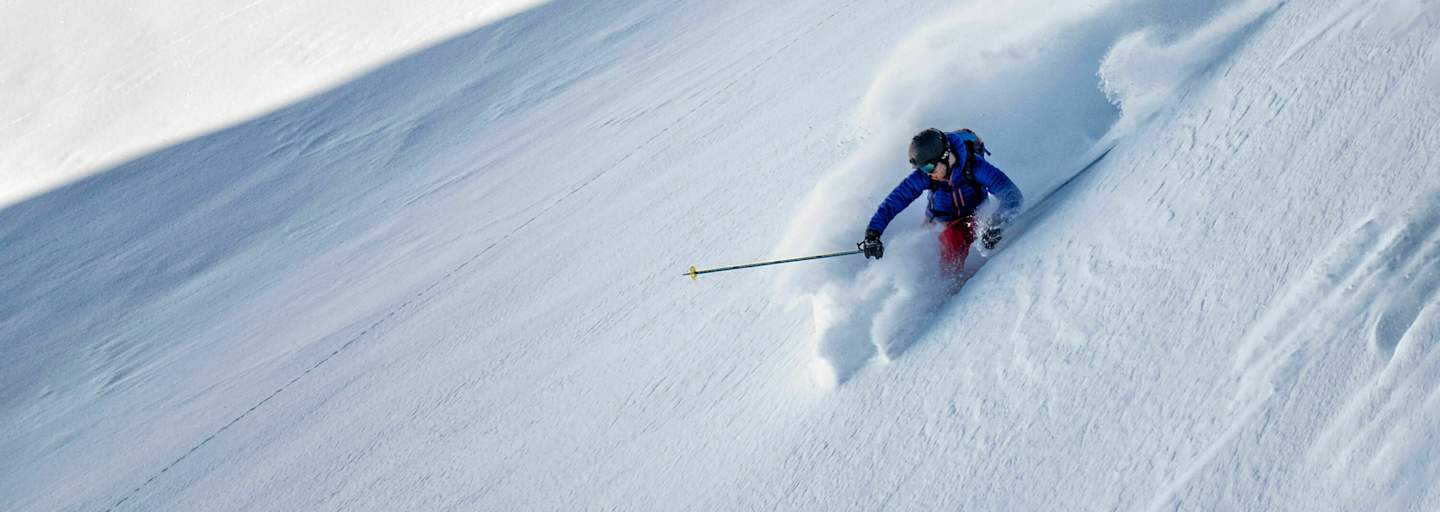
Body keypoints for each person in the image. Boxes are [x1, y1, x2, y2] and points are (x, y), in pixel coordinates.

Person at [858, 128, 1023, 276]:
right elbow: (894, 202)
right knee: (925, 255)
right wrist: (873, 234)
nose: (928, 174)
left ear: (945, 156)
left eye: (929, 168)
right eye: (922, 170)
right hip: (938, 222)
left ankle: (952, 286)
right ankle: (936, 283)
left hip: (971, 219)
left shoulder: (974, 167)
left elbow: (1011, 195)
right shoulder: (926, 176)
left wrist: (997, 223)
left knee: (952, 239)